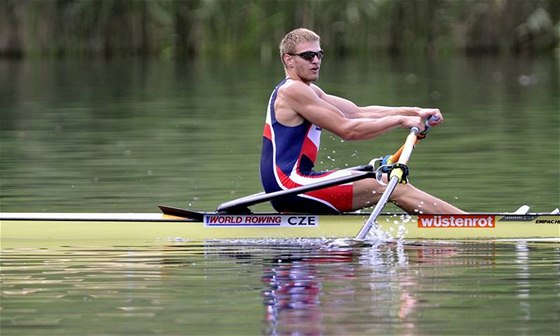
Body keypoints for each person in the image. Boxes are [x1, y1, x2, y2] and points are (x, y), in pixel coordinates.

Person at [260, 28, 465, 215]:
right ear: (288, 60)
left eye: (319, 54)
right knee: (392, 186)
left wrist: (416, 112)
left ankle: (455, 223)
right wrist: (400, 120)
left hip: (296, 183)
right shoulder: (292, 90)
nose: (316, 60)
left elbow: (358, 113)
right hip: (290, 185)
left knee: (385, 179)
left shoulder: (309, 90)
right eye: (308, 56)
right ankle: (468, 224)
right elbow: (347, 130)